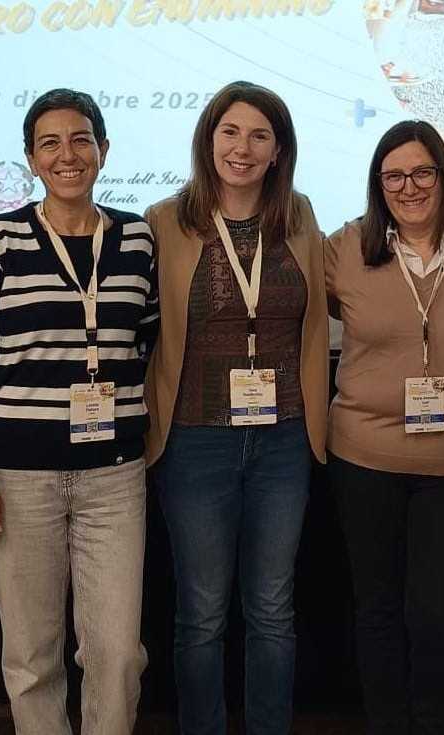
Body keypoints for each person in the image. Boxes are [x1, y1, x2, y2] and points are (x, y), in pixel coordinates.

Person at [0, 88, 157, 735]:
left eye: (80, 140)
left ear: (103, 149)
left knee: (117, 654)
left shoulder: (137, 238)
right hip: (19, 476)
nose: (67, 155)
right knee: (32, 656)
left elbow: (146, 341)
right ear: (32, 160)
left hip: (113, 477)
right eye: (50, 143)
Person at [144, 81, 329, 735]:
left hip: (283, 439)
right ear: (208, 139)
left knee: (273, 608)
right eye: (229, 132)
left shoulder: (301, 217)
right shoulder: (165, 220)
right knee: (201, 613)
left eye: (258, 135)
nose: (242, 148)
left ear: (279, 150)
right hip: (194, 440)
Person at [325, 120, 444, 734]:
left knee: (436, 615)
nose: (408, 187)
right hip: (364, 456)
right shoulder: (345, 247)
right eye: (393, 176)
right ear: (378, 184)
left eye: (422, 172)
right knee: (376, 610)